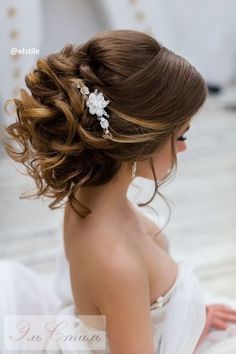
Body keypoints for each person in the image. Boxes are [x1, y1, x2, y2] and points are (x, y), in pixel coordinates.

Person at [2, 29, 236, 353]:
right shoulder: (115, 263)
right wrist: (193, 334)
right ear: (138, 144)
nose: (184, 149)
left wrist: (192, 317)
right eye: (180, 136)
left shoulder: (86, 199)